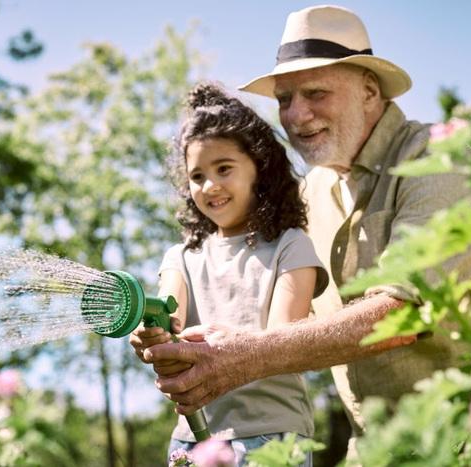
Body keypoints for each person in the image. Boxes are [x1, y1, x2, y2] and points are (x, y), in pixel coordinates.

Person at [144, 5, 471, 462]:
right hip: (382, 445)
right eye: (284, 99)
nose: (296, 116)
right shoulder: (311, 192)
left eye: (316, 93)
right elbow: (247, 283)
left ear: (369, 91)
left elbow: (399, 316)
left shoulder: (438, 159)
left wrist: (241, 357)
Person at [130, 82, 329, 466]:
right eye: (197, 176)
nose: (210, 185)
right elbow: (167, 316)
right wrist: (152, 334)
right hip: (193, 441)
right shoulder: (182, 257)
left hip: (271, 437)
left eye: (224, 169)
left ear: (260, 168)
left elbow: (284, 345)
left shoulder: (291, 247)